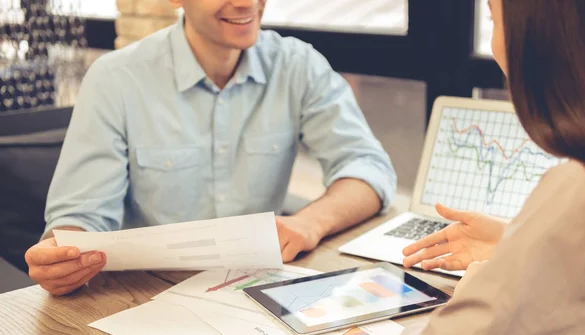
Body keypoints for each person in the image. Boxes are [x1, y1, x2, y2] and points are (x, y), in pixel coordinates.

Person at [24, 0, 396, 296]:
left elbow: (369, 167)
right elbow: (80, 218)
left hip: (256, 290)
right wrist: (63, 258)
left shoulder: (299, 65)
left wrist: (309, 223)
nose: (246, 3)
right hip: (146, 297)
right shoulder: (115, 79)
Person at [382, 0, 585, 335]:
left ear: (542, 39)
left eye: (495, 19)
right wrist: (518, 244)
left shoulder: (581, 192)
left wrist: (471, 297)